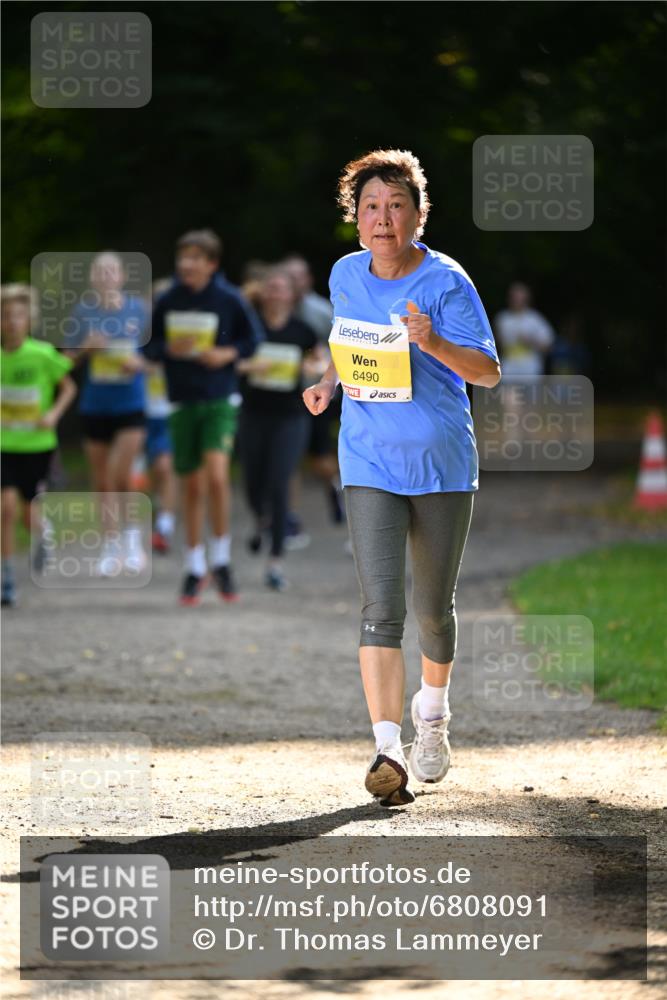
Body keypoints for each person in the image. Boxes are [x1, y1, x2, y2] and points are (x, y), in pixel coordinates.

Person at [303, 149, 500, 806]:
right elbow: (349, 343)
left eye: (395, 206)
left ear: (418, 215)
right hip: (368, 459)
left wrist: (432, 342)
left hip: (441, 462)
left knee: (433, 612)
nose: (382, 218)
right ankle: (387, 750)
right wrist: (328, 383)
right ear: (355, 217)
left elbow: (487, 372)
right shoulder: (344, 273)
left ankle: (432, 717)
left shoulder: (446, 281)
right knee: (380, 608)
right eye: (371, 207)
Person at [145, 229, 257, 605]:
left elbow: (252, 341)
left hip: (220, 399)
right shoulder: (168, 299)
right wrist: (169, 348)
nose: (186, 264)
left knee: (217, 476)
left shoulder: (229, 298)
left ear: (212, 264)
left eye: (195, 258)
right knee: (192, 485)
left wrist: (226, 354)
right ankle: (195, 567)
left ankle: (222, 560)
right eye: (183, 257)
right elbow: (149, 346)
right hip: (181, 402)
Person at [64, 252, 148, 575]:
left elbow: (156, 357)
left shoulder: (139, 310)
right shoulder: (82, 312)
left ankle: (132, 539)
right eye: (100, 271)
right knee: (102, 480)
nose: (106, 276)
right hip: (95, 405)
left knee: (120, 473)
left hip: (131, 403)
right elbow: (66, 361)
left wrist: (139, 363)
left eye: (111, 271)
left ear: (122, 276)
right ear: (92, 278)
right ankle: (110, 545)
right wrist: (85, 349)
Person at [237, 267, 317, 591]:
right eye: (270, 288)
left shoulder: (303, 331)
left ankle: (275, 561)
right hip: (253, 414)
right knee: (252, 482)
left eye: (281, 288)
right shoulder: (248, 327)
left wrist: (312, 367)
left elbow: (319, 360)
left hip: (290, 416)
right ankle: (261, 518)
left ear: (291, 295)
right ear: (263, 293)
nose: (275, 294)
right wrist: (249, 365)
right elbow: (231, 361)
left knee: (280, 480)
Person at [1, 284, 77, 606]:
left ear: (29, 321)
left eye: (18, 316)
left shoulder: (43, 354)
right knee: (5, 509)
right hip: (4, 444)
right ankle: (7, 579)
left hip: (37, 444)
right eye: (6, 316)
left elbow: (68, 387)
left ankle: (43, 532)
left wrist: (53, 415)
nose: (12, 322)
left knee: (27, 511)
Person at [282, 255, 343, 527]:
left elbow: (341, 346)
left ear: (307, 280)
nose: (293, 282)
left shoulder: (320, 311)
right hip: (284, 393)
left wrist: (322, 372)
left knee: (319, 458)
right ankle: (289, 518)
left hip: (318, 392)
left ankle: (334, 485)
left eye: (298, 277)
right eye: (288, 277)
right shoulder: (275, 307)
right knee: (289, 456)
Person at [145, 278, 177, 553]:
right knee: (145, 472)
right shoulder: (141, 334)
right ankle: (156, 510)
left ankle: (164, 525)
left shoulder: (184, 335)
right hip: (140, 412)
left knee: (164, 467)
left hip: (169, 412)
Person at [494, 282, 553, 382]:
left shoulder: (535, 319)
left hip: (530, 371)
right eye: (513, 297)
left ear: (527, 299)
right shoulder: (502, 319)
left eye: (519, 297)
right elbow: (495, 345)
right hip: (508, 370)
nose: (516, 300)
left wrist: (531, 342)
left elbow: (548, 345)